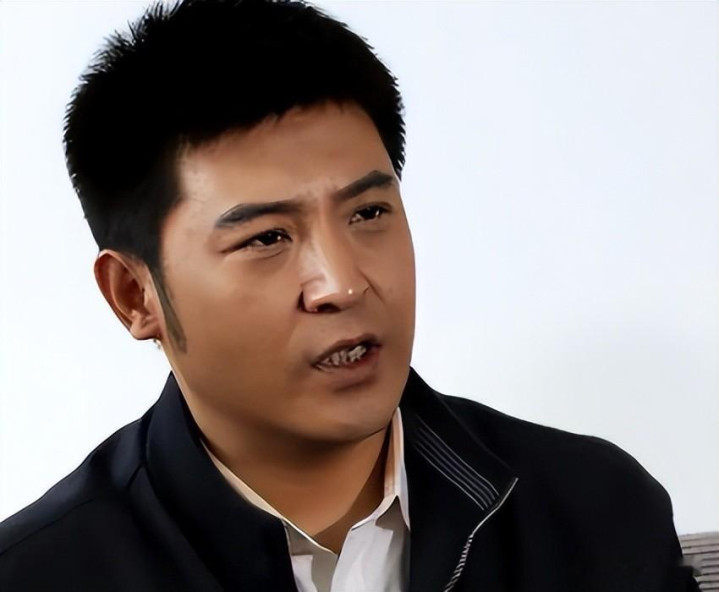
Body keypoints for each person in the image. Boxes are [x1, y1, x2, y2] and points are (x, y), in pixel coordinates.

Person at [0, 1, 699, 590]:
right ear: (135, 296)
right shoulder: (42, 573)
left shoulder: (592, 512)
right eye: (267, 238)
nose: (341, 283)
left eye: (367, 213)